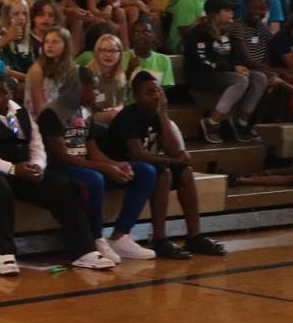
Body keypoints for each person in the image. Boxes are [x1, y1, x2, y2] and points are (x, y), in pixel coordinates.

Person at [0, 72, 115, 276]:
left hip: (18, 168)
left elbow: (35, 143)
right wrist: (12, 169)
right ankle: (3, 252)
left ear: (11, 94)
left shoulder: (20, 113)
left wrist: (37, 166)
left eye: (1, 92)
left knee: (62, 186)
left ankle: (83, 250)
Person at [96, 72, 227, 260]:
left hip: (143, 167)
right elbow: (138, 154)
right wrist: (174, 160)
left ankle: (195, 236)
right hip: (122, 167)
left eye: (158, 90)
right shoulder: (128, 116)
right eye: (149, 92)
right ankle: (159, 238)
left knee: (185, 172)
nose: (156, 95)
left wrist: (163, 114)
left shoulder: (156, 115)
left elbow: (173, 150)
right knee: (164, 172)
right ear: (137, 96)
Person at [39, 68, 159, 261]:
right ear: (78, 88)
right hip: (60, 170)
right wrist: (104, 168)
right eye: (93, 89)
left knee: (145, 172)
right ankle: (95, 238)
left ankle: (121, 236)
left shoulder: (86, 111)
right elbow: (62, 157)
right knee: (94, 180)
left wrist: (116, 165)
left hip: (84, 165)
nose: (96, 93)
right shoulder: (51, 113)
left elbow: (92, 150)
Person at [185, 0, 267, 144]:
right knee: (240, 80)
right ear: (215, 13)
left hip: (223, 73)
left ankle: (242, 123)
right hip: (201, 75)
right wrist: (232, 68)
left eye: (232, 11)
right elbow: (203, 61)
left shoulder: (227, 31)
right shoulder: (199, 32)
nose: (232, 14)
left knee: (259, 78)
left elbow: (233, 56)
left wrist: (238, 66)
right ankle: (212, 122)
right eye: (227, 11)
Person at [23, 26, 78, 119]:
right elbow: (39, 107)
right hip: (43, 119)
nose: (49, 45)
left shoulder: (72, 69)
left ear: (66, 45)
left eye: (55, 42)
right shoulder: (37, 69)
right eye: (46, 42)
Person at [124, 15, 173, 88]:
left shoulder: (164, 60)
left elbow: (164, 91)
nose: (141, 36)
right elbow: (116, 89)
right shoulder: (122, 58)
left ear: (153, 35)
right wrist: (129, 70)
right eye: (136, 32)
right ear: (131, 36)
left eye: (145, 32)